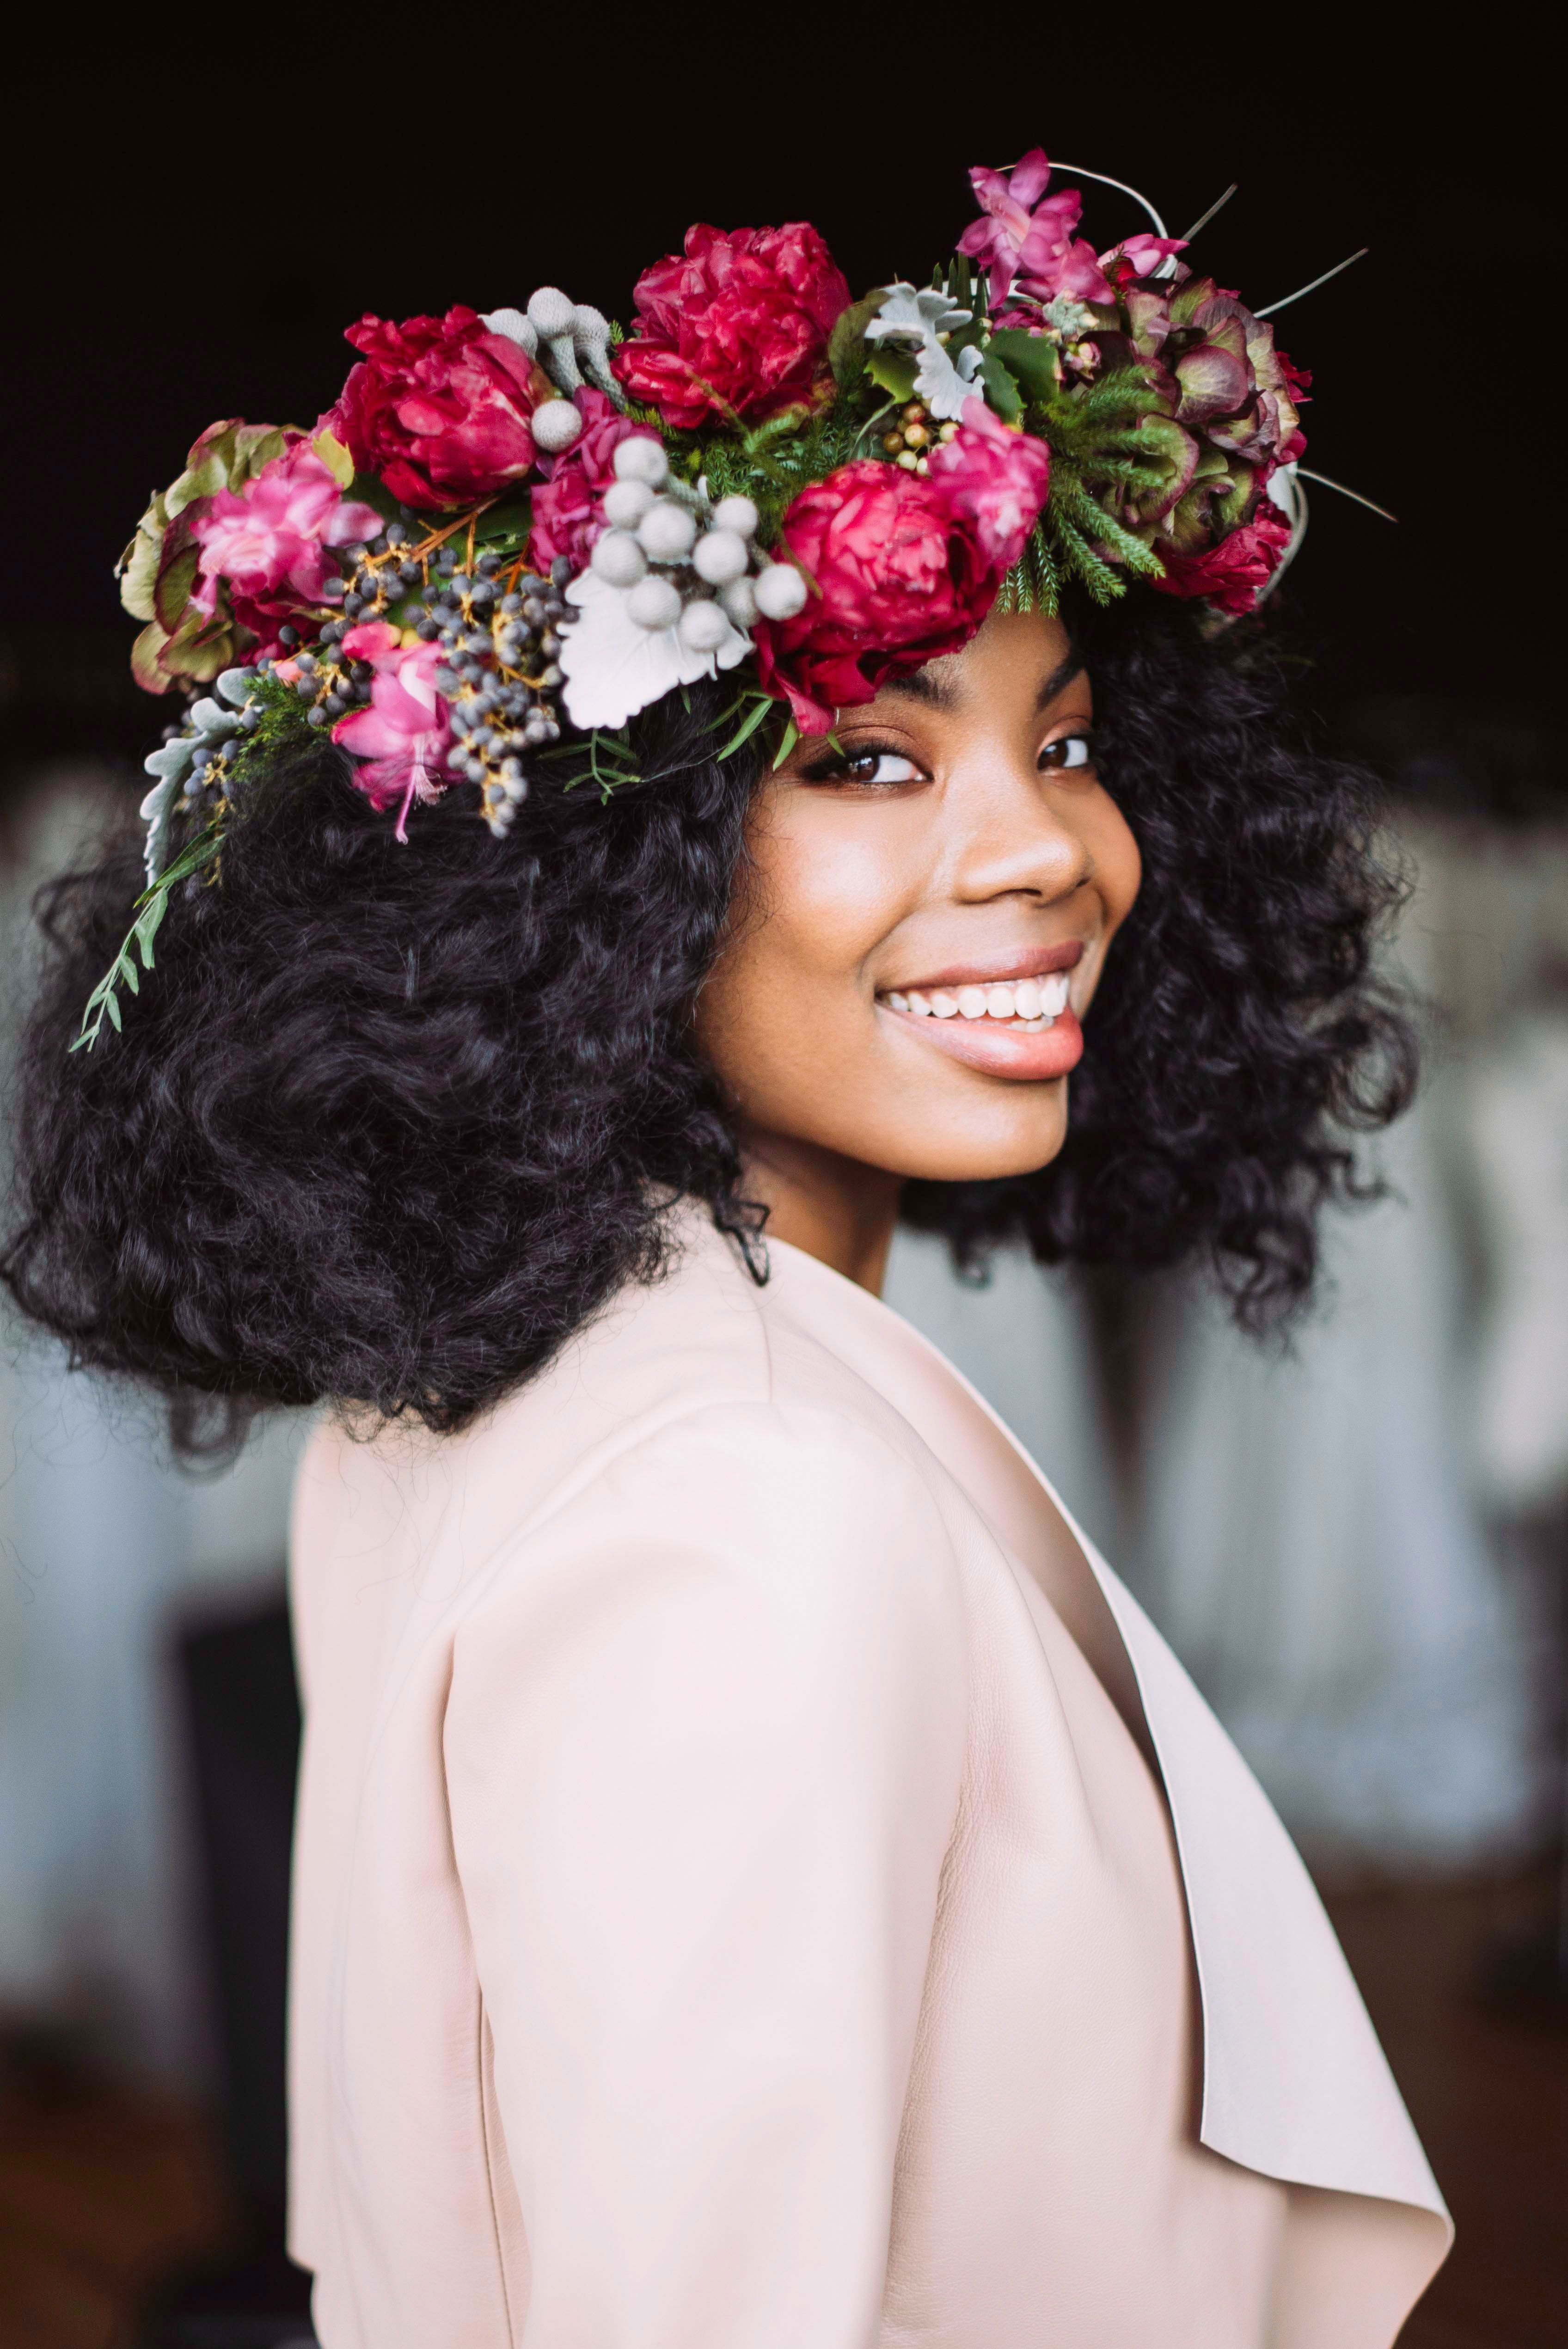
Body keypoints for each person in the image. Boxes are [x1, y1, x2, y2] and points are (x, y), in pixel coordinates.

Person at [2, 151, 1452, 2346]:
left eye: (1061, 740)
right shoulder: (748, 1508)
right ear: (587, 872)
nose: (1045, 846)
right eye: (867, 759)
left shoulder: (470, 1394)